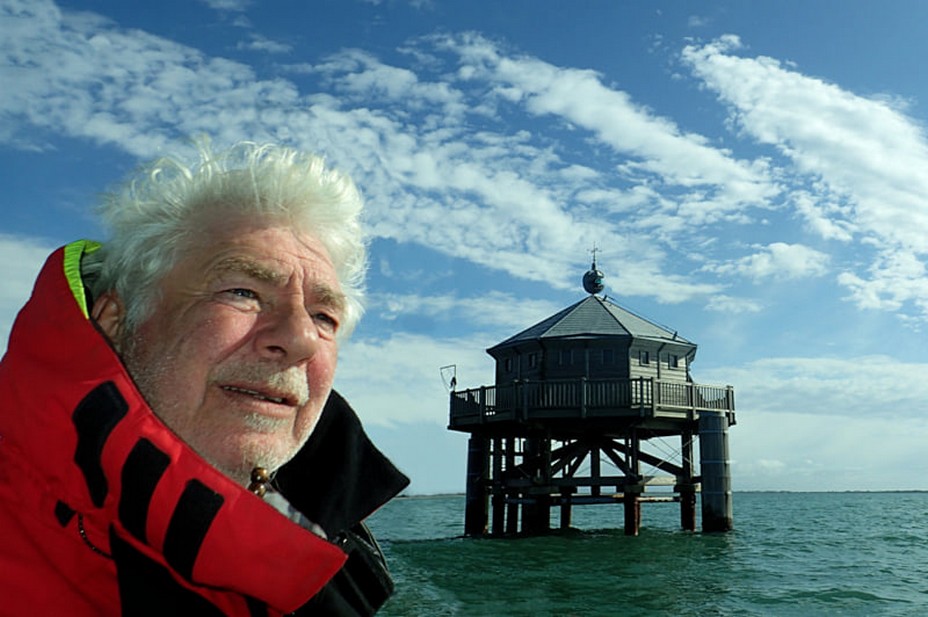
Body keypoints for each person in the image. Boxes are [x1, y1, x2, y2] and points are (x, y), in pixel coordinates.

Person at [0, 141, 409, 615]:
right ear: (117, 320)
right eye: (242, 291)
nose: (300, 338)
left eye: (324, 316)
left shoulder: (320, 542)